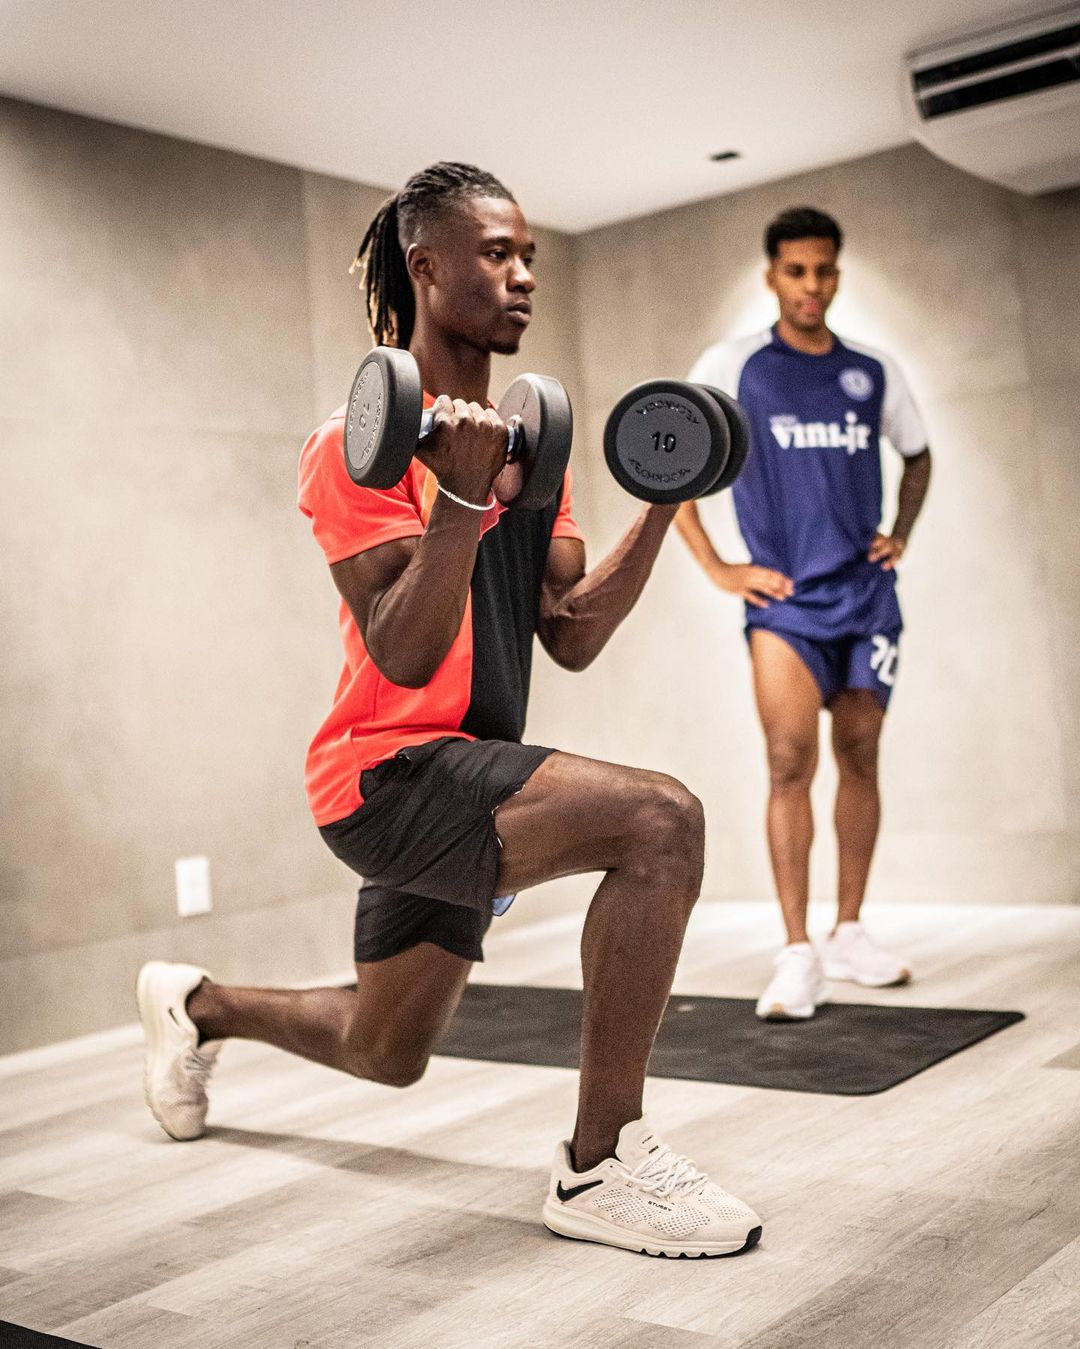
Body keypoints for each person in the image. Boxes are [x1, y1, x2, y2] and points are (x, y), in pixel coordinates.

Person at [136, 162, 762, 1259]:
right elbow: (405, 645)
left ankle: (198, 1004)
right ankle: (600, 1162)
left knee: (386, 1049)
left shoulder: (538, 445)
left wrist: (665, 499)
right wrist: (463, 495)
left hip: (474, 768)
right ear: (426, 267)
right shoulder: (355, 443)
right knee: (662, 819)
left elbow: (567, 630)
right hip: (384, 780)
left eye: (531, 256)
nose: (524, 276)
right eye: (497, 254)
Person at [677, 207, 932, 1021]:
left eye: (825, 270)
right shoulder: (735, 364)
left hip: (866, 597)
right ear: (772, 277)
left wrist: (900, 531)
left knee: (860, 752)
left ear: (838, 274)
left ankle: (849, 929)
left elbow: (919, 454)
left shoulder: (873, 371)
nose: (812, 286)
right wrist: (719, 566)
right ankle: (797, 952)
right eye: (797, 271)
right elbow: (672, 462)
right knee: (790, 760)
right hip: (784, 603)